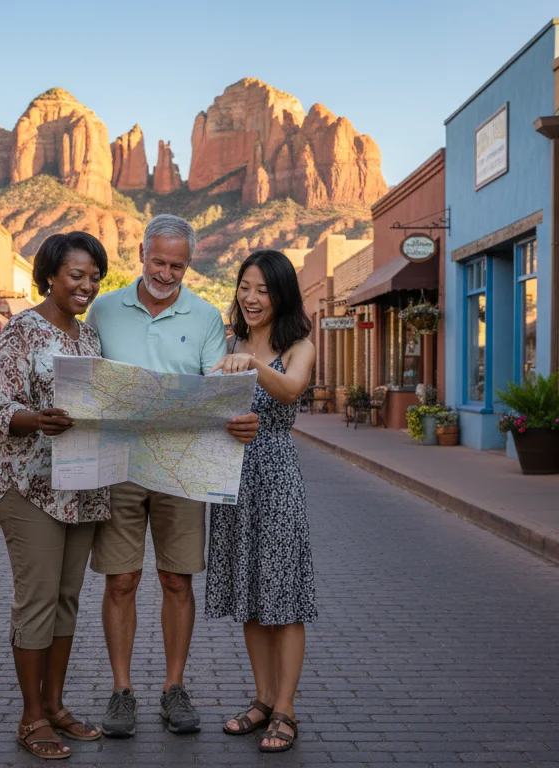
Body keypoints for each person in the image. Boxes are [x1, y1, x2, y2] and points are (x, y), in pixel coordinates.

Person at [85, 214, 259, 738]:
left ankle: (173, 687)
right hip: (117, 464)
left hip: (183, 465)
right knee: (121, 579)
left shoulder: (206, 317)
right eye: (158, 261)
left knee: (177, 579)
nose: (166, 273)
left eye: (177, 265)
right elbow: (86, 376)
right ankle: (121, 690)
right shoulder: (104, 308)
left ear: (189, 264)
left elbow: (215, 388)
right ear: (141, 253)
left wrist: (239, 417)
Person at [0, 231, 111, 760]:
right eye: (76, 275)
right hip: (29, 485)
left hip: (81, 484)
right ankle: (31, 717)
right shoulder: (20, 331)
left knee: (65, 600)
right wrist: (38, 420)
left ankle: (56, 707)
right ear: (51, 276)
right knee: (36, 602)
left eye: (94, 276)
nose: (86, 285)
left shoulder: (89, 341)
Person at [206, 249, 317, 753]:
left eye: (262, 289)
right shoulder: (228, 342)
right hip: (233, 478)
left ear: (281, 294)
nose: (250, 298)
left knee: (285, 597)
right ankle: (263, 700)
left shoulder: (299, 346)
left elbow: (290, 390)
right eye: (244, 287)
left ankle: (287, 710)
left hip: (276, 478)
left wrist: (249, 362)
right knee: (250, 594)